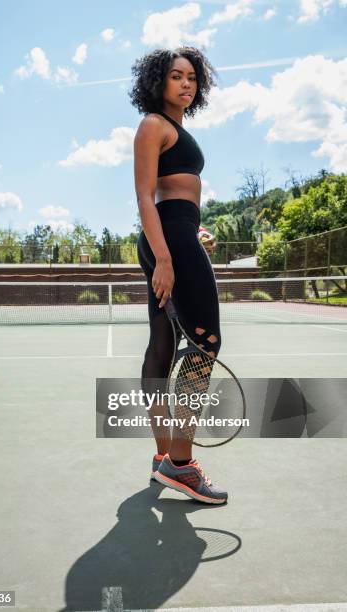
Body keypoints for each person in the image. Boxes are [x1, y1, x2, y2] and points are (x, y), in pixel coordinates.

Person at [129, 47, 228, 504]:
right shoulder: (154, 124)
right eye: (176, 76)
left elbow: (174, 196)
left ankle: (163, 457)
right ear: (158, 82)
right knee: (206, 344)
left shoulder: (175, 128)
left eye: (192, 77)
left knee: (164, 346)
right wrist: (167, 256)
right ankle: (181, 465)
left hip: (175, 234)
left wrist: (194, 231)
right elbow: (146, 197)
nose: (186, 84)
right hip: (167, 239)